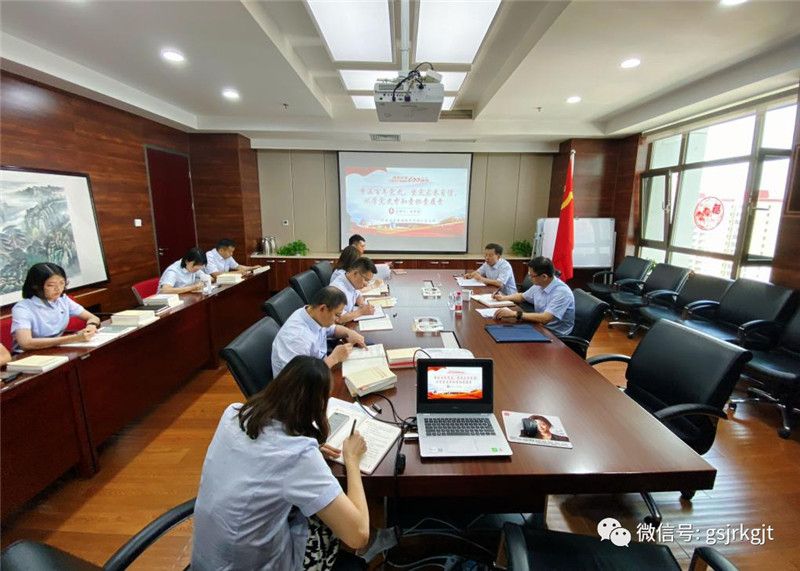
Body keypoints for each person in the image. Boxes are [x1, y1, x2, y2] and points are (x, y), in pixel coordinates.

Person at [192, 356, 370, 570]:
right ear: (317, 407)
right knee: (329, 522)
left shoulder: (235, 414)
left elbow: (262, 460)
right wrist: (351, 459)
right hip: (249, 565)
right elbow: (358, 536)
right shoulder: (297, 456)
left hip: (208, 559)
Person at [271, 286, 366, 377]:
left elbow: (332, 329)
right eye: (337, 315)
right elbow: (301, 379)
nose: (338, 319)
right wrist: (334, 358)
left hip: (320, 367)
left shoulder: (311, 314)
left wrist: (350, 333)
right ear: (323, 309)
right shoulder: (297, 338)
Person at [11, 263, 101, 352]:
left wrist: (91, 326)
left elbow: (93, 317)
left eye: (62, 283)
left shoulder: (63, 300)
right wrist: (73, 338)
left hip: (55, 349)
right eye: (51, 285)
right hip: (28, 355)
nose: (58, 288)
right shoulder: (22, 308)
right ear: (35, 286)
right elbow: (26, 343)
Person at [493, 256, 575, 335]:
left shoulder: (562, 292)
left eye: (532, 276)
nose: (530, 278)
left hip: (554, 334)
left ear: (544, 277)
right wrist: (503, 298)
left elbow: (545, 318)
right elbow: (522, 296)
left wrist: (515, 314)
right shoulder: (540, 285)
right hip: (539, 326)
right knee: (503, 330)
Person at [329, 258, 377, 323]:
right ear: (355, 273)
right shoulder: (337, 290)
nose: (366, 284)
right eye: (365, 280)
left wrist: (362, 305)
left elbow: (358, 295)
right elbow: (338, 319)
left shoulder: (351, 281)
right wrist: (361, 311)